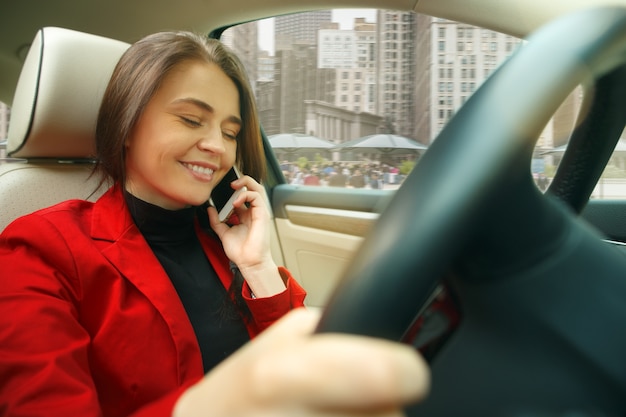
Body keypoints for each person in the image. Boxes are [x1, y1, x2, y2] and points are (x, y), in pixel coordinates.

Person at [0, 31, 430, 416]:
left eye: (229, 132)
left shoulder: (223, 240)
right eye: (191, 120)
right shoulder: (41, 249)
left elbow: (299, 366)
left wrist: (257, 266)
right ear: (127, 123)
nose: (216, 147)